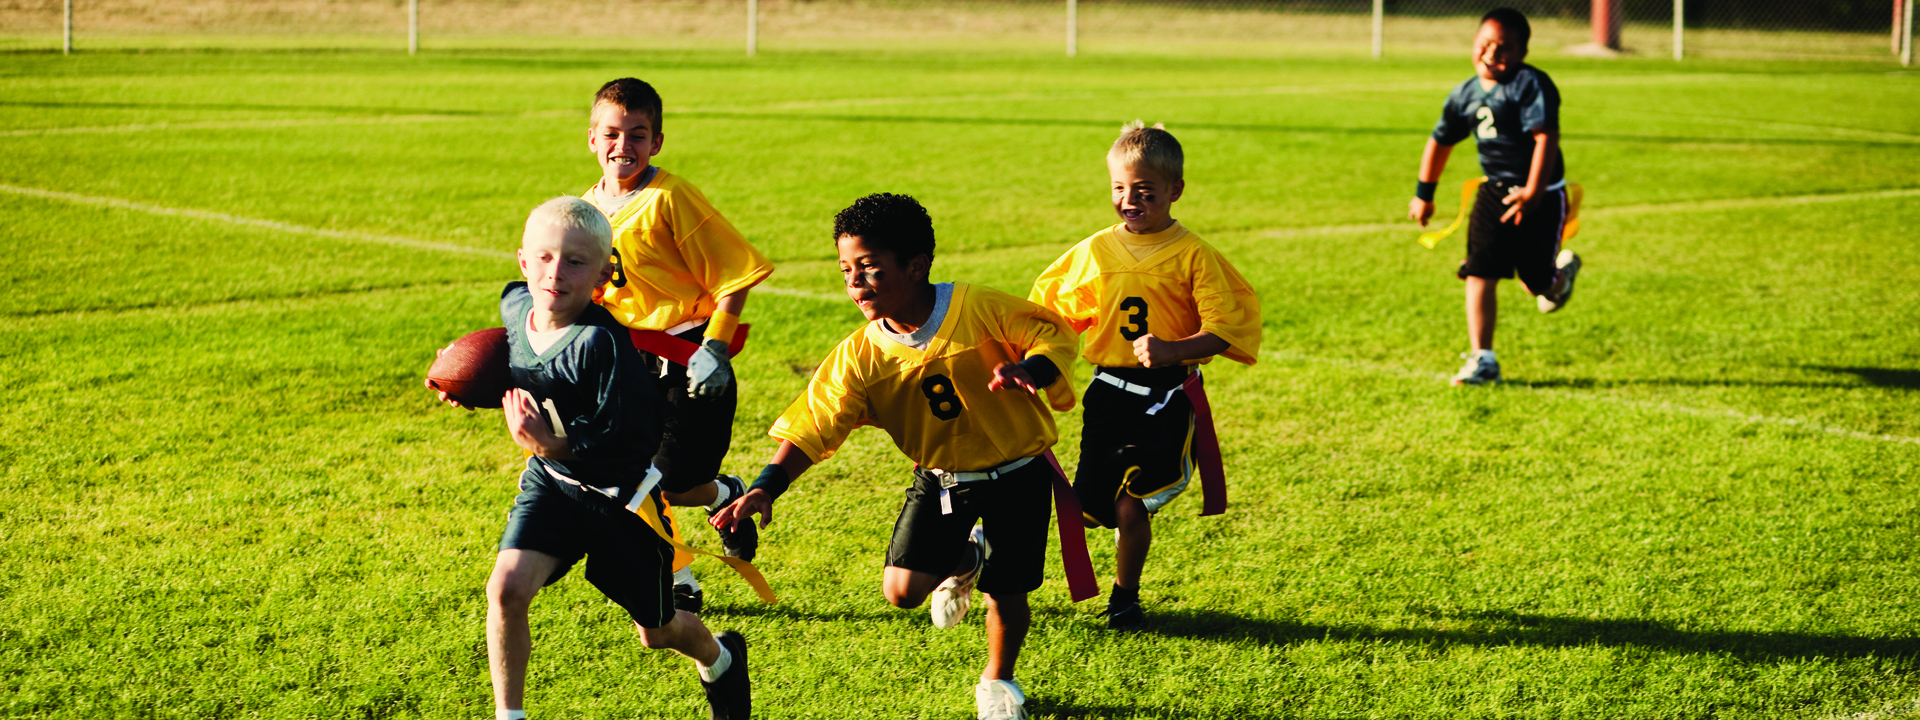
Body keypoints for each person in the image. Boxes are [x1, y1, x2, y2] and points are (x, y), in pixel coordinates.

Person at [712, 193, 1079, 720]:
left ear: (916, 265)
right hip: (943, 478)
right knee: (902, 592)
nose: (855, 284)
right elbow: (815, 422)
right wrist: (766, 486)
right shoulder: (859, 355)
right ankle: (964, 556)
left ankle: (998, 682)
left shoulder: (979, 309)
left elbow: (1051, 333)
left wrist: (1034, 371)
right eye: (846, 270)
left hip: (1017, 473)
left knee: (1007, 591)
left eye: (869, 269)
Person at [451, 197, 749, 720]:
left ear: (604, 275)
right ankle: (509, 716)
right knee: (506, 589)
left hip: (623, 502)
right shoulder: (515, 305)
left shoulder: (604, 345)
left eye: (574, 261)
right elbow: (513, 360)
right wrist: (467, 386)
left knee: (658, 632)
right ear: (522, 261)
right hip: (552, 486)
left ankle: (721, 658)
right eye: (543, 258)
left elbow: (630, 447)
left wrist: (553, 444)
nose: (555, 273)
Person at [1028, 121, 1262, 631]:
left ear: (1175, 191)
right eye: (1118, 188)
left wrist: (1176, 348)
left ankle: (1124, 598)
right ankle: (988, 546)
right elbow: (1054, 313)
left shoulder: (1193, 254)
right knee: (1088, 510)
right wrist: (1031, 358)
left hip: (1166, 400)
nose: (1129, 199)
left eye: (1144, 191)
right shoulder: (1096, 250)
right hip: (1107, 396)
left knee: (1133, 505)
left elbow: (1225, 329)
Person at [582, 78, 775, 607]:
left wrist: (714, 347)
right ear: (592, 138)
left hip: (688, 358)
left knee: (672, 484)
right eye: (613, 133)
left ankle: (725, 493)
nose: (625, 146)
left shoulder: (671, 197)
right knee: (628, 479)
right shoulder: (584, 209)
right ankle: (677, 578)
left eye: (638, 135)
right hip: (627, 361)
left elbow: (733, 275)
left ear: (657, 142)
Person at [1408, 7, 1583, 386]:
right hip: (1493, 190)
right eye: (1485, 44)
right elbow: (1440, 141)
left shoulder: (1532, 85)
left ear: (1522, 52)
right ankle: (1483, 359)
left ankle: (1559, 280)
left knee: (1535, 280)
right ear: (1474, 43)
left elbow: (1545, 138)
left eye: (1503, 48)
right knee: (1479, 269)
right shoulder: (1464, 94)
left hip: (1542, 194)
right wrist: (1424, 194)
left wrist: (1534, 190)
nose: (1491, 55)